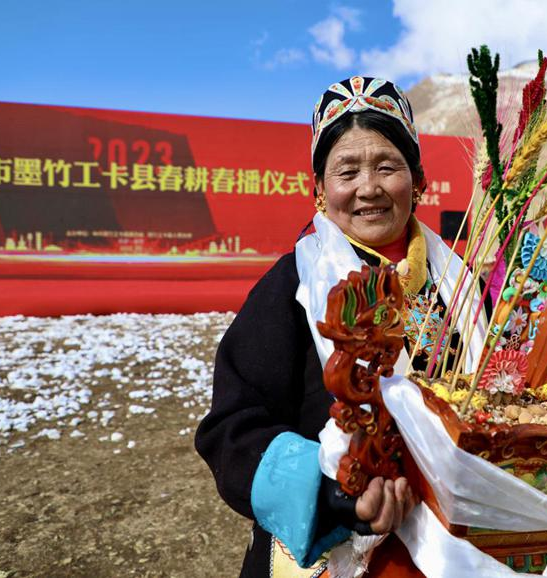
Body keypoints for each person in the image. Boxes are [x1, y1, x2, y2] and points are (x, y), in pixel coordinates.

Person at [195, 76, 487, 577]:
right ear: (319, 190)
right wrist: (334, 489)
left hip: (464, 540)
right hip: (337, 551)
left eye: (387, 167)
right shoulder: (292, 288)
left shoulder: (460, 282)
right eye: (346, 171)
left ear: (417, 180)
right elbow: (231, 430)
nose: (368, 188)